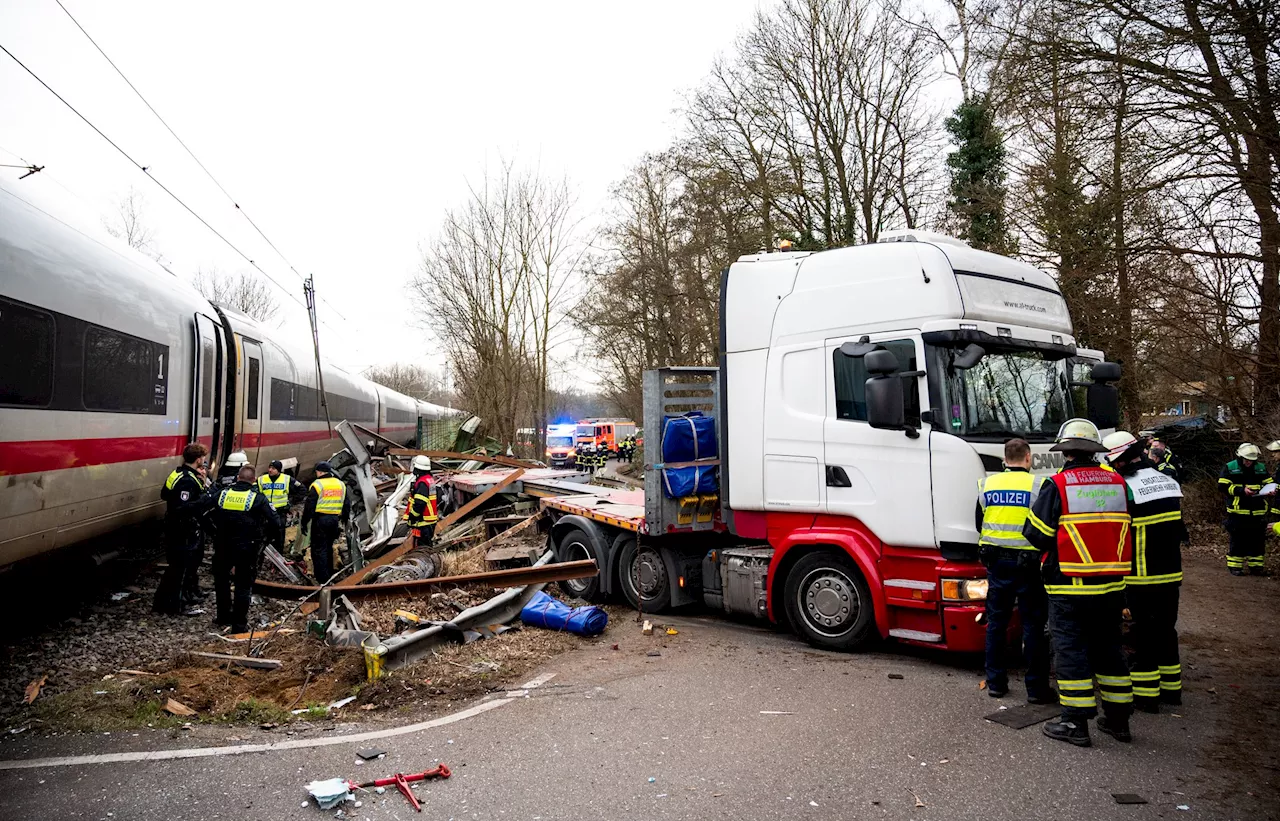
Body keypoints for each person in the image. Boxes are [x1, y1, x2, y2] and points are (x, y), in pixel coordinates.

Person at [1024, 418, 1135, 747]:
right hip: (1112, 585)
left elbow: (1037, 535)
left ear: (1066, 451)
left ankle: (1075, 722)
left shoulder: (1057, 485)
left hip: (1069, 586)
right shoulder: (1118, 483)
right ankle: (1118, 720)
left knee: (1071, 651)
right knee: (1110, 650)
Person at [1104, 431, 1186, 712]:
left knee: (1143, 634)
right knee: (1166, 630)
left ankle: (1146, 696)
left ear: (1121, 460)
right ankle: (1172, 690)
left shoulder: (1125, 487)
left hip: (1142, 574)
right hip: (1171, 572)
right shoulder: (1165, 479)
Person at [975, 438, 1054, 703]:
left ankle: (996, 683)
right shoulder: (1039, 485)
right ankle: (1036, 689)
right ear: (1028, 458)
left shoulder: (987, 484)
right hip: (1029, 565)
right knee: (1032, 626)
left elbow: (980, 521)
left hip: (996, 563)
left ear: (1005, 459)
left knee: (996, 624)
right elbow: (1046, 527)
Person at [210, 464, 280, 632]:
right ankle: (239, 625)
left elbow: (203, 510)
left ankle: (223, 617)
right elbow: (275, 522)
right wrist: (266, 539)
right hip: (247, 547)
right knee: (243, 585)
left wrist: (213, 532)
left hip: (223, 545)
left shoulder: (222, 494)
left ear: (237, 478)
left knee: (221, 581)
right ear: (253, 480)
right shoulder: (258, 498)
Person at [154, 442, 215, 615]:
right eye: (203, 459)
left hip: (175, 526)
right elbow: (184, 507)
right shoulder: (188, 480)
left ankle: (165, 602)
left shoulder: (177, 473)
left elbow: (164, 494)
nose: (203, 463)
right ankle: (175, 605)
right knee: (179, 569)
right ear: (197, 460)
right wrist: (205, 499)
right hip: (182, 529)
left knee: (176, 567)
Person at [1219, 443, 1271, 575]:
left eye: (1251, 460)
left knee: (1258, 540)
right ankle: (1235, 566)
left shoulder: (1260, 468)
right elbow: (1223, 487)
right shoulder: (1230, 467)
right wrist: (1242, 490)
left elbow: (1269, 482)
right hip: (1238, 511)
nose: (1249, 462)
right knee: (1238, 540)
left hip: (1258, 510)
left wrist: (1271, 490)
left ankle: (1256, 567)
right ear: (1240, 457)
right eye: (1246, 460)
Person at [301, 461, 350, 584]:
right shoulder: (340, 484)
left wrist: (304, 522)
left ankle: (322, 579)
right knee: (328, 547)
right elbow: (346, 503)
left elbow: (309, 505)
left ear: (320, 472)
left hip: (320, 520)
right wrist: (344, 518)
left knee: (318, 549)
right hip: (334, 520)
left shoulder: (318, 484)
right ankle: (330, 573)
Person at [256, 461, 305, 555]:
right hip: (265, 512)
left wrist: (291, 502)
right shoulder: (261, 479)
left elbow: (302, 489)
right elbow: (255, 492)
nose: (270, 470)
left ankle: (278, 555)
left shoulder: (287, 479)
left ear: (279, 470)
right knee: (263, 534)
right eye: (269, 467)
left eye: (273, 468)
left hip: (280, 511)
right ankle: (262, 555)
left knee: (279, 534)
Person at [406, 455, 439, 548]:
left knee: (423, 549)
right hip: (429, 521)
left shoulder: (422, 483)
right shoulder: (429, 479)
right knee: (426, 546)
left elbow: (420, 503)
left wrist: (412, 516)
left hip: (423, 522)